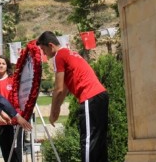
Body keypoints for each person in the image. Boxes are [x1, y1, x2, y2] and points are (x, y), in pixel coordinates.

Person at [36, 31, 109, 162]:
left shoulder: (59, 56)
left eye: (43, 49)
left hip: (90, 97)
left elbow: (58, 89)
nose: (44, 53)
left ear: (51, 45)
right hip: (101, 95)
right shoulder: (69, 53)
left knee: (88, 142)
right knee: (99, 141)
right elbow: (64, 89)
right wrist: (57, 110)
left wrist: (53, 113)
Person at [0, 55, 23, 162]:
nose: (1, 66)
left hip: (14, 122)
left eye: (3, 63)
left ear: (7, 65)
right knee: (6, 152)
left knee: (15, 152)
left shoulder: (13, 79)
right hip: (1, 122)